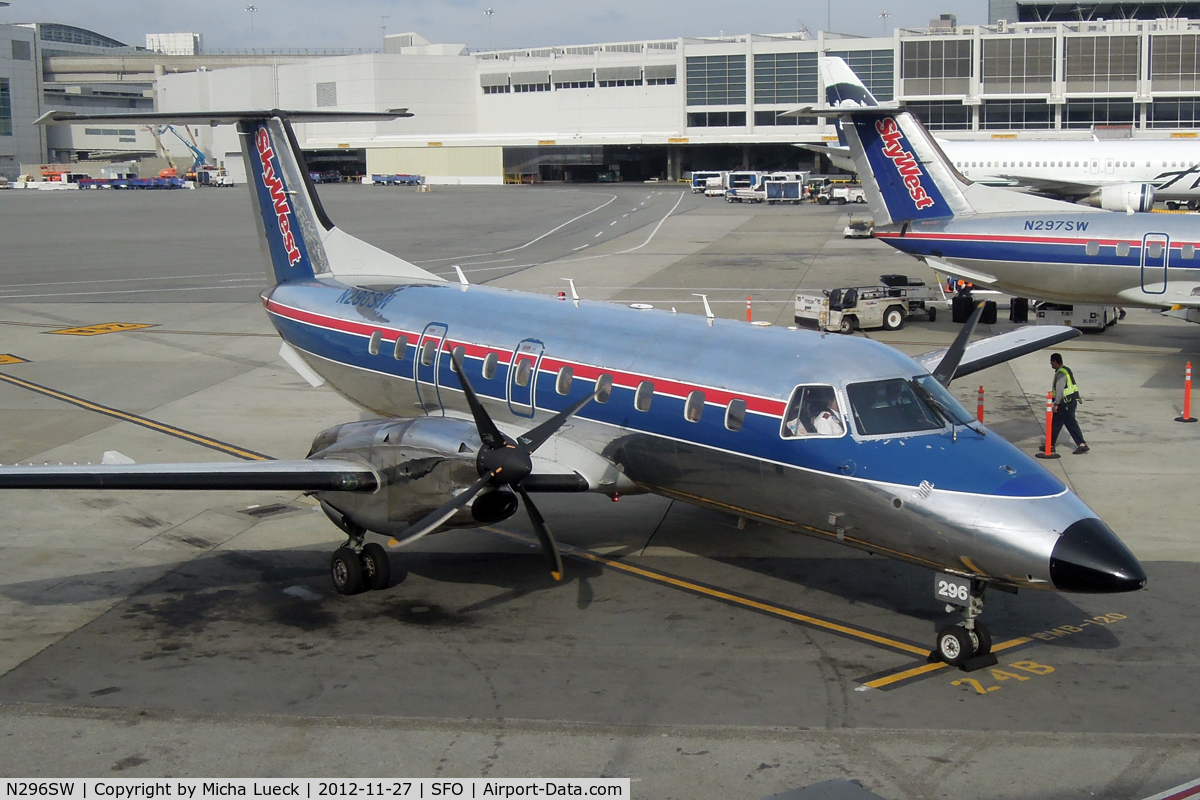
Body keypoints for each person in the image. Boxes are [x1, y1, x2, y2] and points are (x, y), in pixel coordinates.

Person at [1050, 353, 1089, 454]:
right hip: (1071, 402)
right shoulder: (1066, 370)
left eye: (1051, 361)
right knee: (1068, 423)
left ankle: (1050, 446)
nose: (1050, 363)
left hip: (1064, 404)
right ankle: (1081, 444)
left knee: (1057, 424)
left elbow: (1059, 390)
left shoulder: (1060, 374)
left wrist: (1056, 404)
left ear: (1055, 361)